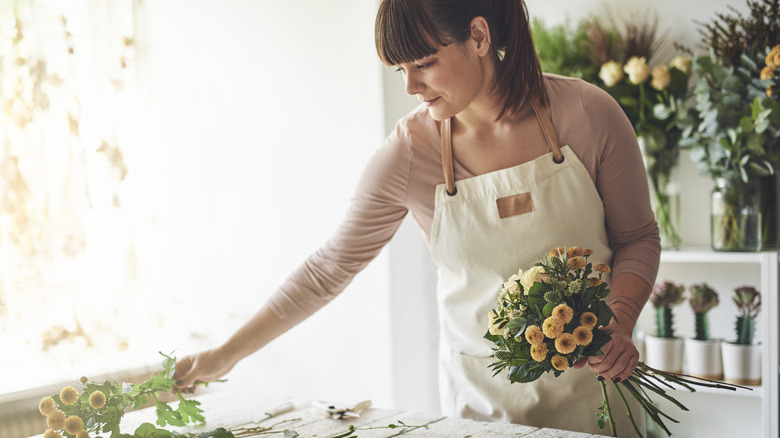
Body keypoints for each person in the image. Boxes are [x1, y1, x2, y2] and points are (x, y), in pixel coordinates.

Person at [173, 0, 660, 436]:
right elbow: (327, 269)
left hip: (597, 400)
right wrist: (224, 355)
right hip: (484, 412)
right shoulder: (411, 151)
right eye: (399, 69)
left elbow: (637, 238)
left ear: (479, 36)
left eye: (424, 63)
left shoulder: (588, 113)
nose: (410, 86)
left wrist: (618, 323)